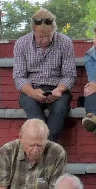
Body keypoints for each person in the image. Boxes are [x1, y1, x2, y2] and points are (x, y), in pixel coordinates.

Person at [12, 9, 77, 140]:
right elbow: (19, 76)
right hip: (32, 89)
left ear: (54, 30)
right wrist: (32, 92)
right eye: (40, 36)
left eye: (48, 35)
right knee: (35, 116)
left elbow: (69, 75)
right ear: (33, 31)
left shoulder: (65, 42)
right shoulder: (21, 44)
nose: (45, 39)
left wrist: (59, 90)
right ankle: (45, 146)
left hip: (57, 88)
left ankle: (44, 146)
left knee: (59, 111)